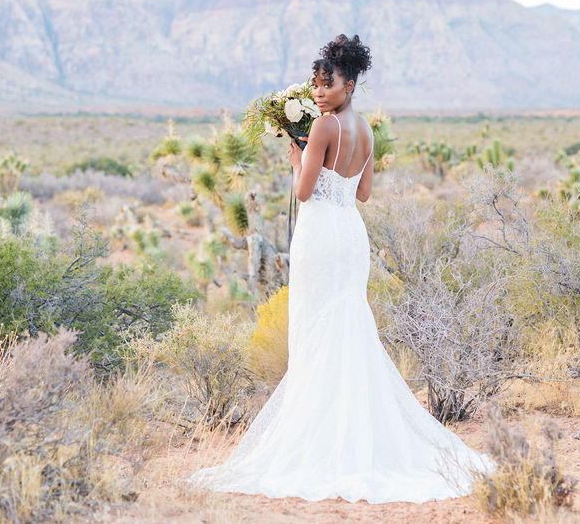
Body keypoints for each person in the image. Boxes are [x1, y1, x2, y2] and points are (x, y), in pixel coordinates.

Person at [188, 35, 493, 503]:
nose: (319, 91)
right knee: (347, 327)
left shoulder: (327, 127)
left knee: (315, 329)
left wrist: (296, 158)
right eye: (316, 83)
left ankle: (321, 441)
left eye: (327, 84)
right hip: (351, 234)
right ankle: (352, 436)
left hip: (321, 236)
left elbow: (305, 191)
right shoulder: (366, 131)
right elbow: (364, 193)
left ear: (349, 84)